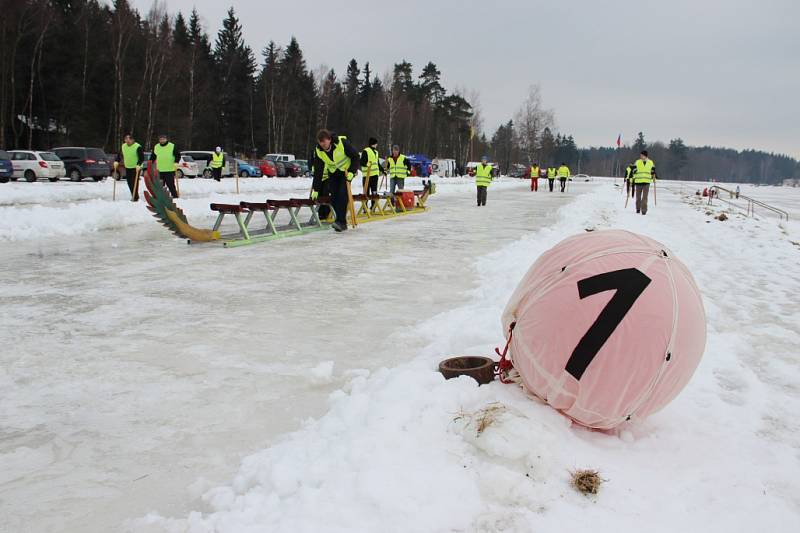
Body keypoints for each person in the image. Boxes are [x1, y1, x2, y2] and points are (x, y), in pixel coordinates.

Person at [311, 129, 360, 232]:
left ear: (329, 139)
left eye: (324, 141)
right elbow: (318, 171)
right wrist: (316, 189)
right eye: (320, 142)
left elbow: (355, 156)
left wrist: (352, 172)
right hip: (333, 173)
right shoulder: (319, 151)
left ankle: (341, 222)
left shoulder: (342, 143)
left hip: (346, 173)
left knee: (342, 195)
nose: (323, 144)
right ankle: (340, 221)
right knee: (334, 197)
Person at [114, 133, 144, 201]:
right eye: (126, 139)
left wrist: (139, 164)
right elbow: (119, 155)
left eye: (129, 139)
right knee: (129, 182)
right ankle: (134, 195)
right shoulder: (123, 146)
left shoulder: (137, 146)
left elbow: (141, 157)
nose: (127, 140)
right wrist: (116, 161)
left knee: (134, 181)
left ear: (133, 140)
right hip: (128, 166)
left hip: (136, 167)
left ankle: (135, 197)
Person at [150, 133, 181, 198]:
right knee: (160, 185)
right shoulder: (156, 146)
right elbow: (153, 156)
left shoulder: (172, 146)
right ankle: (161, 197)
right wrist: (150, 162)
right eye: (160, 139)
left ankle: (175, 196)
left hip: (169, 169)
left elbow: (178, 155)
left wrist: (176, 162)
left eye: (163, 139)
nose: (162, 140)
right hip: (159, 169)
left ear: (166, 139)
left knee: (170, 184)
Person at [632, 150, 657, 215]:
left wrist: (654, 176)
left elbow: (653, 171)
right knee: (638, 197)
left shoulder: (651, 162)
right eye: (640, 155)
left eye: (642, 155)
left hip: (646, 182)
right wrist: (634, 174)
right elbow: (633, 170)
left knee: (645, 198)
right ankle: (638, 208)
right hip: (638, 182)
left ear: (645, 156)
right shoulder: (637, 162)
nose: (641, 156)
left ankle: (644, 210)